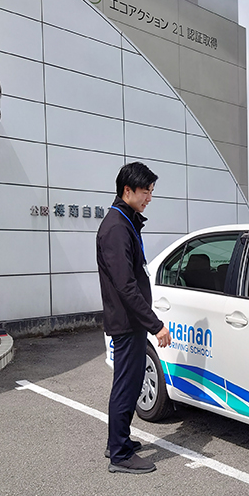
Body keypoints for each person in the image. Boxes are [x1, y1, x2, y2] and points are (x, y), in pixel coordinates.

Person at [97, 162, 171, 474]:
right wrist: (156, 325)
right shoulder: (116, 227)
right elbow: (126, 284)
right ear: (127, 191)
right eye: (145, 191)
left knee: (128, 381)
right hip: (127, 322)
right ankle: (120, 454)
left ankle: (119, 439)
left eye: (152, 191)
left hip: (130, 322)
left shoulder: (125, 221)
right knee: (127, 384)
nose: (149, 197)